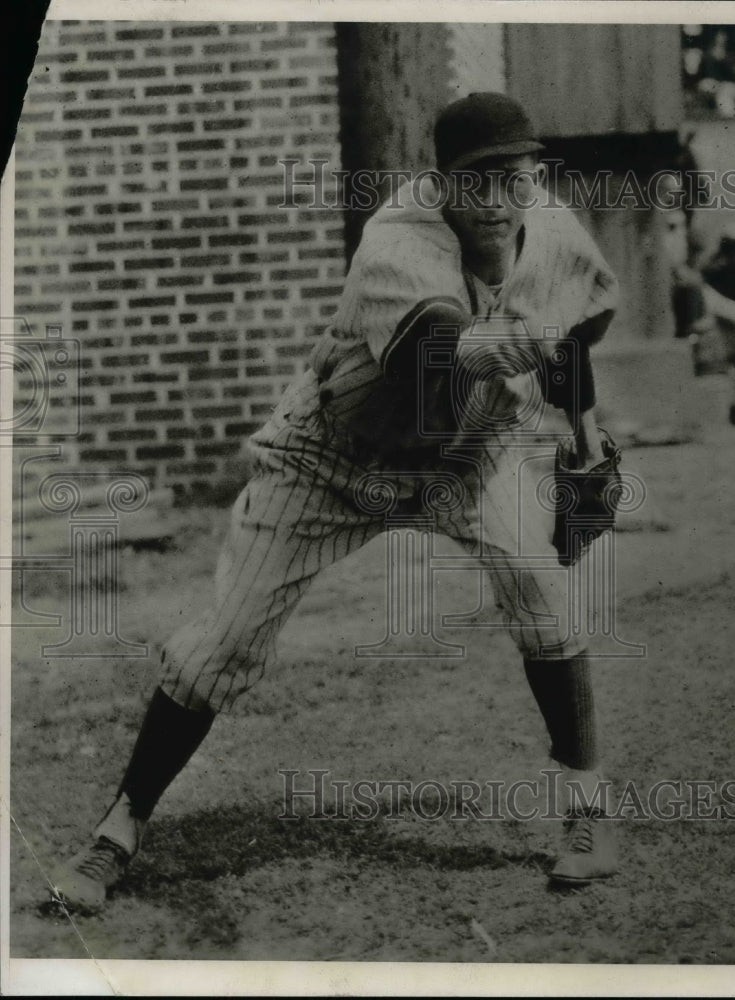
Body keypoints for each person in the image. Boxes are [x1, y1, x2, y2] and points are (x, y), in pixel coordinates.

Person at [51, 93, 620, 915]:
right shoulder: (396, 237)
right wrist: (529, 338)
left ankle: (587, 815)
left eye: (517, 177)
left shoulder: (551, 226)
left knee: (543, 593)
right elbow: (434, 361)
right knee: (224, 644)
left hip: (465, 457)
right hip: (332, 456)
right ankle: (119, 827)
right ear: (440, 183)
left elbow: (573, 332)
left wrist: (585, 436)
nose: (499, 201)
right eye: (479, 181)